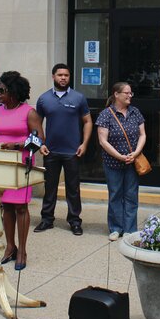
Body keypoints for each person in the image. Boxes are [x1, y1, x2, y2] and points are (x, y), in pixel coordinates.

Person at [0, 71, 43, 270]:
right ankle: (10, 247)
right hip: (0, 163)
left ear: (14, 92)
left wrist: (17, 145)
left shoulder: (29, 112)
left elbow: (39, 139)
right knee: (5, 206)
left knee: (20, 207)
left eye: (2, 90)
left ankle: (23, 250)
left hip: (21, 163)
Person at [35, 63, 93, 235]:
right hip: (51, 151)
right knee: (50, 187)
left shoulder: (78, 98)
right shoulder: (44, 99)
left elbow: (88, 121)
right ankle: (47, 219)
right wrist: (41, 142)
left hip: (72, 151)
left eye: (66, 75)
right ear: (53, 76)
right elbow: (36, 122)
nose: (63, 78)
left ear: (69, 77)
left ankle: (75, 221)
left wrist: (84, 143)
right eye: (60, 75)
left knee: (73, 188)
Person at [97, 82, 146, 241]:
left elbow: (142, 135)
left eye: (131, 93)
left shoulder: (135, 112)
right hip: (113, 163)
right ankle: (116, 228)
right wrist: (119, 156)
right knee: (115, 195)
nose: (129, 96)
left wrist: (135, 153)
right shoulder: (106, 114)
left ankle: (130, 228)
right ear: (116, 94)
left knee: (131, 195)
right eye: (126, 93)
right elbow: (103, 141)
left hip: (132, 161)